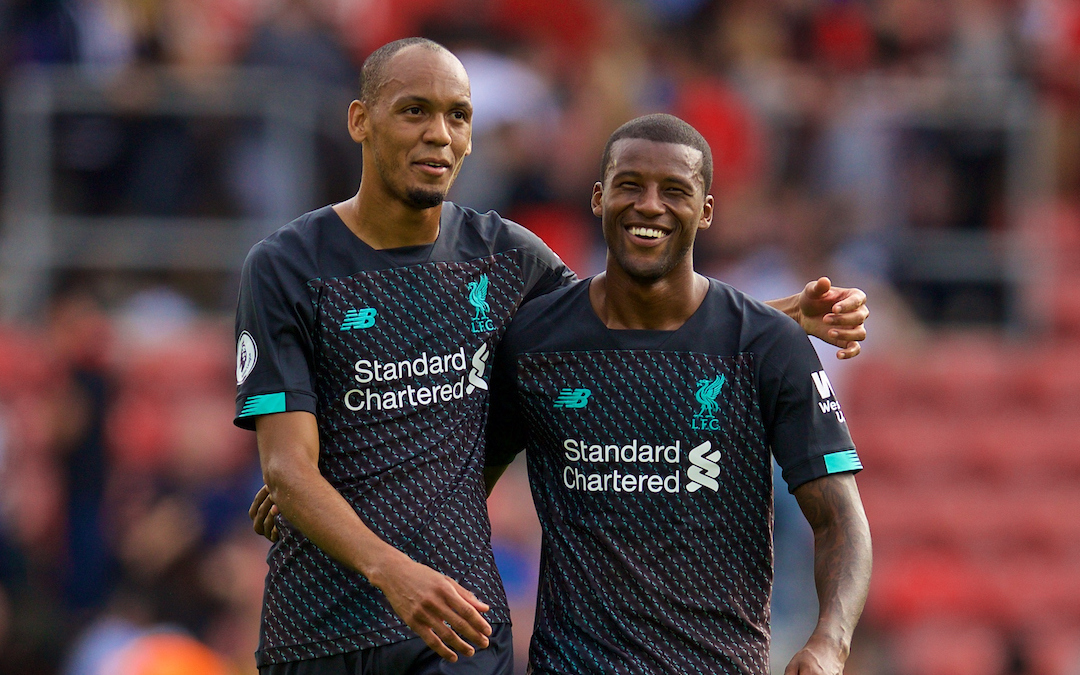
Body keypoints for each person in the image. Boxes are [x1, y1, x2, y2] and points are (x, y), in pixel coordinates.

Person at [236, 38, 869, 675]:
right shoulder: (288, 266)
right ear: (359, 120)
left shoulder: (507, 256)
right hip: (318, 621)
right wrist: (312, 496)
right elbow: (288, 469)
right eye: (414, 111)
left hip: (458, 628)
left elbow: (636, 315)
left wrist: (778, 321)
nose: (439, 133)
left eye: (458, 116)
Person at [482, 114, 873, 674]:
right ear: (598, 197)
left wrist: (830, 642)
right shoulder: (535, 343)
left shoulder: (768, 345)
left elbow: (841, 520)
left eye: (674, 190)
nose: (649, 205)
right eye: (629, 185)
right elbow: (463, 494)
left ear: (706, 210)